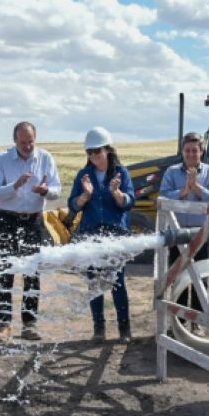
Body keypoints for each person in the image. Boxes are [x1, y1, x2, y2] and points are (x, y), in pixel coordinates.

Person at [0, 121, 61, 342]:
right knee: (5, 273)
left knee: (32, 273)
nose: (28, 146)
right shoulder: (2, 160)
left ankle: (29, 324)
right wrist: (14, 186)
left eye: (31, 141)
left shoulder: (45, 158)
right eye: (23, 142)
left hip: (34, 221)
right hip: (8, 219)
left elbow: (56, 190)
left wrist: (46, 190)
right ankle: (3, 325)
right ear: (15, 141)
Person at [68, 127, 135, 344]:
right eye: (90, 152)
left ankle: (124, 327)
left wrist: (116, 193)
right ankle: (99, 327)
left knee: (117, 282)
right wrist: (85, 196)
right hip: (91, 235)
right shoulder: (83, 175)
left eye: (97, 151)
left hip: (116, 235)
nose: (94, 156)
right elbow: (73, 205)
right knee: (95, 281)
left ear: (108, 150)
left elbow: (129, 203)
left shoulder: (121, 173)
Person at [159, 132, 209, 266]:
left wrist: (195, 186)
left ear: (201, 151)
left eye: (194, 150)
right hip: (177, 233)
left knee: (201, 278)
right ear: (182, 152)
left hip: (202, 233)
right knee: (177, 278)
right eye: (187, 150)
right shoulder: (171, 172)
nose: (191, 154)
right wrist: (184, 191)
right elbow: (163, 197)